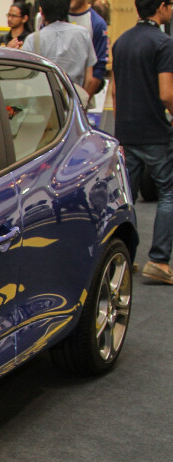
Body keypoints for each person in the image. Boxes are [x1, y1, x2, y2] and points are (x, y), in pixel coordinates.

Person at [112, 0, 173, 283]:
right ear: (161, 7)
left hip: (125, 129)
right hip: (155, 132)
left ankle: (127, 258)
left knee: (127, 197)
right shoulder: (163, 43)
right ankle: (159, 261)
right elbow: (166, 93)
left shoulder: (121, 42)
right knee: (169, 193)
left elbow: (114, 90)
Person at [22, 0, 97, 101]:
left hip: (44, 103)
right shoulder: (83, 34)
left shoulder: (33, 40)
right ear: (67, 9)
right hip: (74, 100)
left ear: (42, 13)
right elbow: (89, 79)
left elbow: (25, 79)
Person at [69, 0, 109, 95]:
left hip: (81, 95)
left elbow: (99, 67)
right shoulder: (56, 17)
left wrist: (82, 101)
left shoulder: (97, 23)